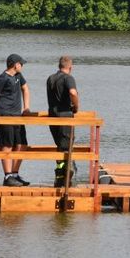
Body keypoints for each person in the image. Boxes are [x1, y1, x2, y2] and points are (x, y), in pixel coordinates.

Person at [0, 54, 31, 187]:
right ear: (15, 64)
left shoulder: (18, 76)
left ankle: (15, 174)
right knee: (7, 145)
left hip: (17, 116)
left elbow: (25, 89)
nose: (22, 65)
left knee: (21, 144)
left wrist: (26, 108)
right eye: (21, 63)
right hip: (5, 115)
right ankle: (7, 176)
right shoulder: (3, 78)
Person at [46, 56, 80, 187]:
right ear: (70, 67)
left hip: (52, 116)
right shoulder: (68, 78)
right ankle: (67, 173)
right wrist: (76, 107)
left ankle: (60, 177)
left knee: (60, 146)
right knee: (66, 146)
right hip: (65, 115)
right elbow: (73, 93)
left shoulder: (50, 78)